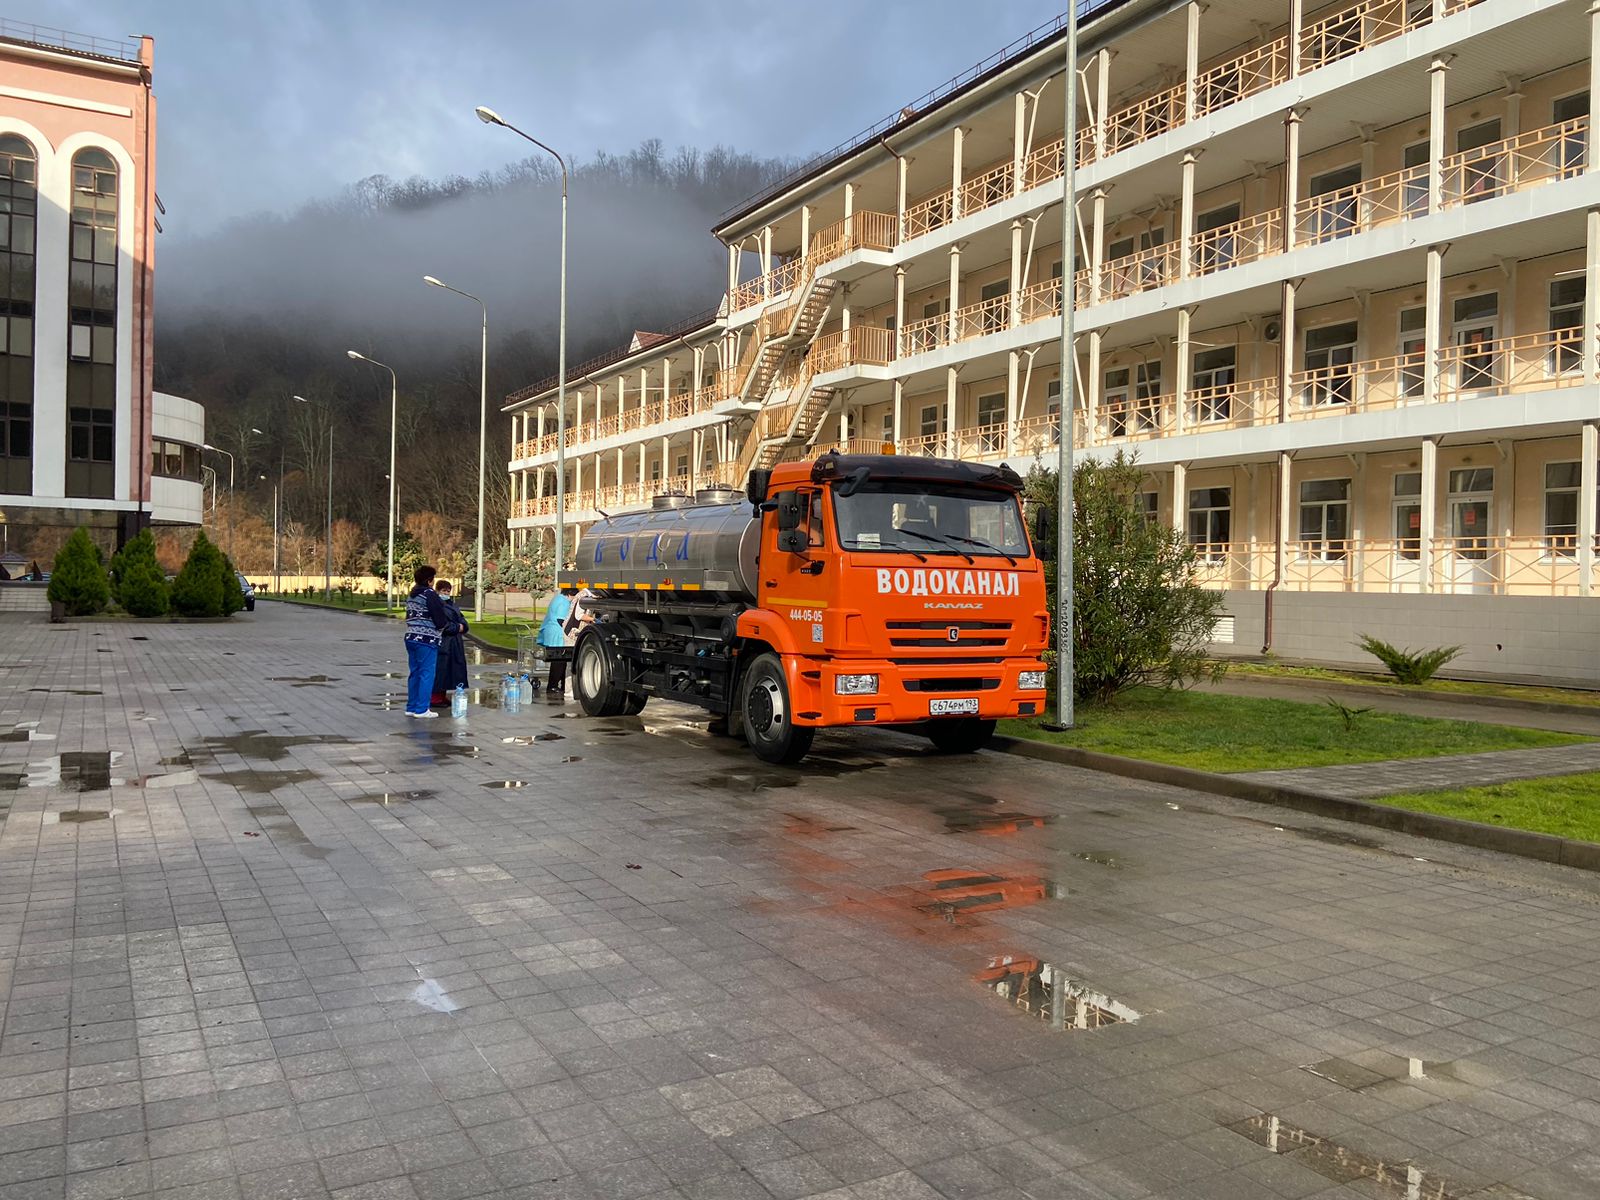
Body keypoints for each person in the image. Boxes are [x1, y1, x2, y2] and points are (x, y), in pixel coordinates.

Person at [403, 565, 452, 718]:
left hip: (411, 637)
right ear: (430, 580)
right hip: (426, 639)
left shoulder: (412, 594)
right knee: (427, 673)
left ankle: (411, 707)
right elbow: (439, 619)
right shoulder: (429, 594)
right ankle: (422, 709)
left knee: (415, 672)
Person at [430, 580, 470, 706]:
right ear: (438, 591)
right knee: (441, 669)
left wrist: (463, 626)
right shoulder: (437, 605)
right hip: (444, 641)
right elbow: (441, 624)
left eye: (448, 591)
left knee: (452, 669)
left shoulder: (452, 604)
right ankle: (435, 697)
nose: (446, 593)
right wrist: (457, 628)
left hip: (455, 642)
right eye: (443, 591)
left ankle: (442, 695)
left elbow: (462, 619)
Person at [538, 586, 577, 699]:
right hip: (557, 634)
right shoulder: (564, 602)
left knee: (559, 661)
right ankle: (553, 686)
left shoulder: (558, 598)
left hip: (552, 632)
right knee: (559, 661)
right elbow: (561, 620)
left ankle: (558, 685)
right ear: (570, 594)